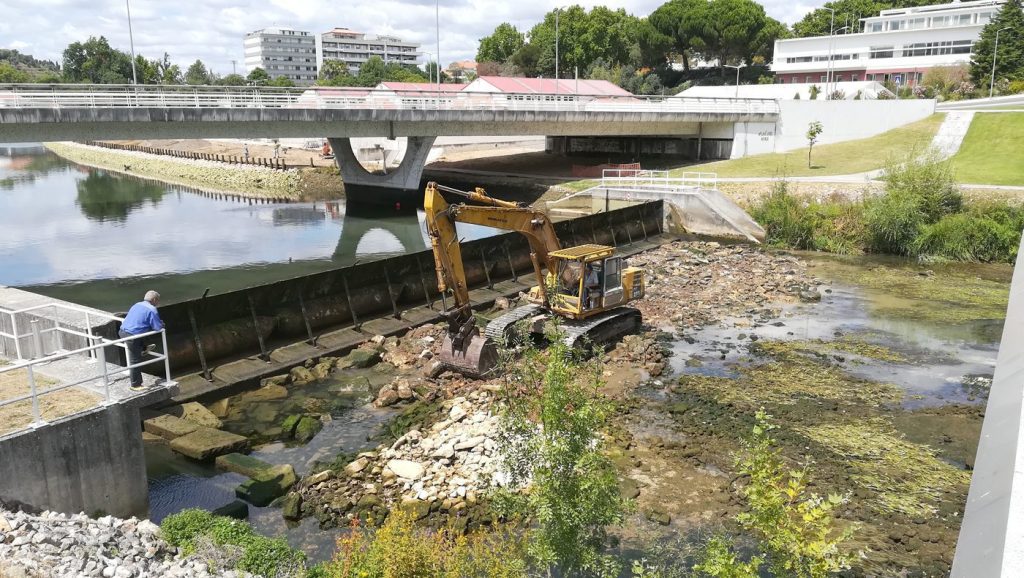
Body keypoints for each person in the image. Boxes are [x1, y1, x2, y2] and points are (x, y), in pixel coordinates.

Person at [119, 291, 164, 391]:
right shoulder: (152, 309)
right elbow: (157, 327)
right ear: (154, 300)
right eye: (158, 301)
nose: (158, 303)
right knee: (135, 360)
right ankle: (136, 385)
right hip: (132, 336)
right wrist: (161, 324)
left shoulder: (137, 304)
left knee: (144, 329)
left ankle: (144, 348)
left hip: (122, 331)